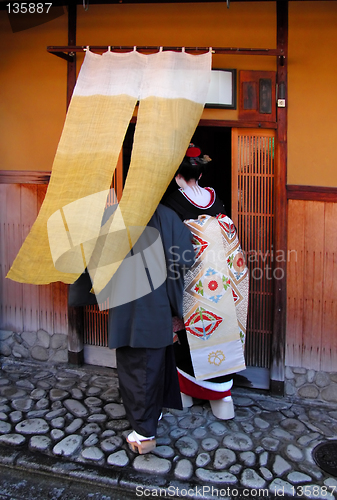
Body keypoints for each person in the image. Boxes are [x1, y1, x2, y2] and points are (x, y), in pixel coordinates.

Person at [69, 202, 195, 454]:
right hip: (156, 303)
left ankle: (144, 434)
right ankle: (150, 419)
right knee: (150, 364)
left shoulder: (113, 215)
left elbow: (91, 256)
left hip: (125, 301)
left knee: (137, 368)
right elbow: (185, 257)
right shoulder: (167, 215)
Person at [165, 143, 248, 420]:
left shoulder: (170, 205)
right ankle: (222, 400)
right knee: (220, 332)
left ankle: (187, 394)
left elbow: (169, 252)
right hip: (222, 285)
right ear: (200, 175)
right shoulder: (217, 201)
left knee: (190, 337)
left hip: (190, 286)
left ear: (177, 175)